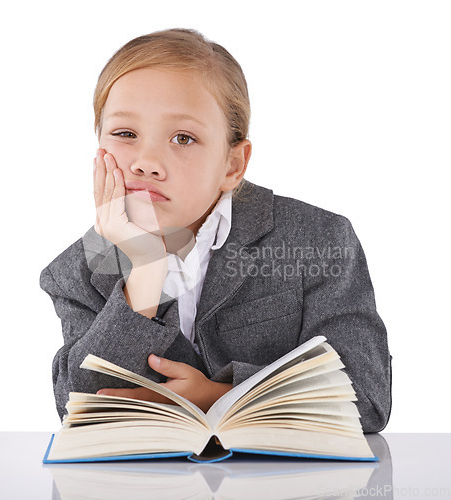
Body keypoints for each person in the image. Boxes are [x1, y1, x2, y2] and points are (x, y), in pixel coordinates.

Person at [40, 28, 391, 432]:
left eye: (183, 138)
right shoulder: (77, 270)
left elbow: (367, 397)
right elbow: (79, 408)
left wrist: (221, 394)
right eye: (125, 134)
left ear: (232, 165)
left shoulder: (319, 240)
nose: (146, 162)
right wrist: (146, 272)